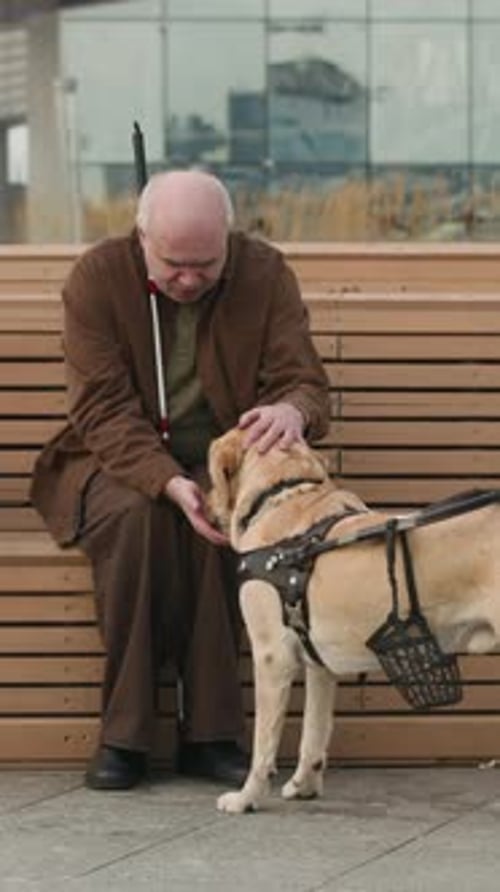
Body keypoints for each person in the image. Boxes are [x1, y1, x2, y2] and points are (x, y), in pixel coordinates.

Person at [30, 170, 330, 791]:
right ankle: (124, 736)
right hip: (111, 461)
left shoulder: (265, 274)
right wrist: (167, 481)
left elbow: (304, 382)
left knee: (221, 528)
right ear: (142, 238)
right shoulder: (97, 279)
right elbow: (101, 411)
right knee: (142, 521)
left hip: (226, 466)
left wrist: (291, 411)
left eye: (206, 263)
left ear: (228, 239)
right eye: (173, 265)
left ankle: (213, 734)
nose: (190, 279)